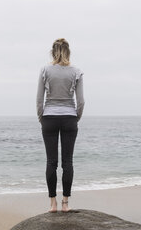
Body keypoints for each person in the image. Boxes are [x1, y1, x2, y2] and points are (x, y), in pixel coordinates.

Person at [36, 38, 85, 213]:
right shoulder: (76, 72)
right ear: (68, 52)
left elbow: (39, 99)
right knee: (67, 162)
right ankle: (65, 203)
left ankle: (52, 204)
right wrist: (75, 117)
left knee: (51, 162)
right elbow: (81, 101)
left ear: (53, 52)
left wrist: (41, 117)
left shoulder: (45, 70)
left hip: (49, 117)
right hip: (69, 118)